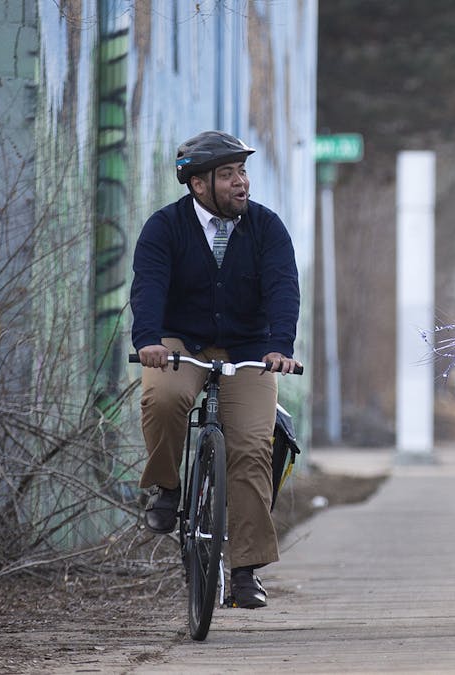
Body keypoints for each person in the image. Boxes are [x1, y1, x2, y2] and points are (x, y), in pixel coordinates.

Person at [131, 130, 302, 608]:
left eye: (242, 172)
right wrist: (146, 341)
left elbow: (283, 287)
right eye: (227, 174)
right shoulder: (164, 228)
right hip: (178, 342)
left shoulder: (266, 227)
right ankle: (166, 487)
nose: (240, 182)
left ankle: (246, 570)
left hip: (250, 349)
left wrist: (280, 347)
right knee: (164, 398)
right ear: (198, 184)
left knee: (251, 446)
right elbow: (148, 288)